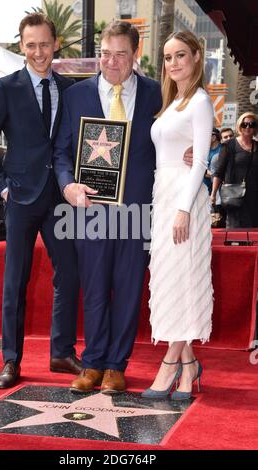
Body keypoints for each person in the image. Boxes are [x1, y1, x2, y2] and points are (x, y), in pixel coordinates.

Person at [53, 21, 192, 394]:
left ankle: (117, 365)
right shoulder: (75, 95)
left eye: (120, 54)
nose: (111, 62)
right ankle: (94, 362)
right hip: (90, 209)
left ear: (136, 55)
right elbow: (62, 151)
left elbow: (177, 131)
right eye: (105, 53)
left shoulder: (155, 93)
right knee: (94, 287)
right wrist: (67, 186)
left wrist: (188, 152)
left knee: (128, 286)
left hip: (140, 209)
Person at [0, 12, 81, 389]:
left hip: (60, 198)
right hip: (20, 198)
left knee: (69, 273)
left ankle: (61, 352)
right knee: (14, 281)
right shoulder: (5, 88)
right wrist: (4, 188)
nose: (38, 51)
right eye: (30, 45)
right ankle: (10, 359)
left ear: (56, 45)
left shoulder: (70, 89)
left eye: (44, 44)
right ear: (22, 46)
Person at [142, 30, 214, 401]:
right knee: (171, 279)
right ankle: (189, 368)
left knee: (185, 277)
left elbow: (200, 159)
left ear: (197, 57)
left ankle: (170, 362)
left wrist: (184, 209)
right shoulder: (174, 103)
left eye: (180, 55)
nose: (173, 64)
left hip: (184, 201)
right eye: (168, 57)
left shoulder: (200, 101)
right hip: (164, 196)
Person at [211, 112, 258, 228]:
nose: (248, 127)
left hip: (255, 197)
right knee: (236, 232)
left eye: (251, 124)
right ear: (239, 125)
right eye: (244, 124)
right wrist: (213, 194)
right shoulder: (229, 145)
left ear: (255, 128)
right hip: (235, 196)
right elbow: (219, 172)